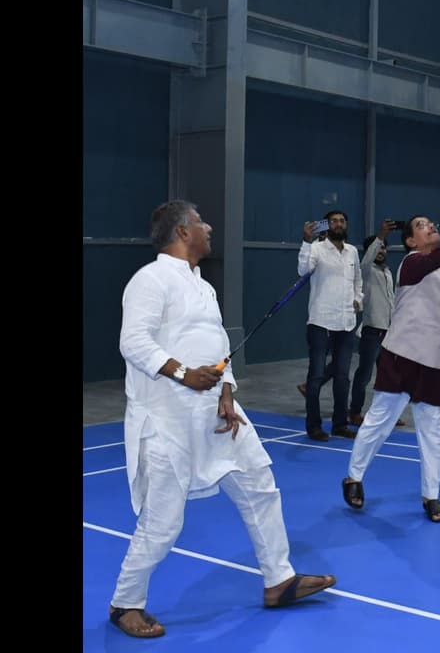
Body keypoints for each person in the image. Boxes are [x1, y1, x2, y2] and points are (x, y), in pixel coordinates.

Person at [109, 200, 335, 639]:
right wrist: (183, 373)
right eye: (200, 222)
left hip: (215, 413)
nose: (209, 227)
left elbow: (216, 345)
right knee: (163, 522)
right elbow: (132, 341)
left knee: (260, 484)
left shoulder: (203, 286)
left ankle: (279, 580)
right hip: (166, 420)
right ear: (181, 231)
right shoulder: (150, 279)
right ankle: (125, 603)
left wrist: (226, 391)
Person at [341, 216, 440, 524]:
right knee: (379, 422)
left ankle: (431, 495)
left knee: (432, 431)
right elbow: (432, 261)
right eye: (422, 225)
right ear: (411, 241)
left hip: (434, 361)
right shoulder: (410, 264)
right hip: (402, 355)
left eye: (432, 223)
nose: (431, 226)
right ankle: (353, 477)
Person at [298, 219, 406, 427]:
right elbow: (366, 260)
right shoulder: (365, 268)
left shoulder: (387, 272)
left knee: (389, 376)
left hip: (388, 332)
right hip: (371, 331)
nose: (381, 251)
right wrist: (381, 235)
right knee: (363, 375)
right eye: (378, 248)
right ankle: (354, 412)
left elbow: (390, 301)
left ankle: (388, 413)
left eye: (384, 248)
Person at [297, 210, 363, 441]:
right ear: (326, 225)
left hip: (346, 323)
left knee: (343, 377)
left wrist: (358, 298)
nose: (338, 224)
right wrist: (306, 241)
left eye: (342, 221)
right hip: (321, 322)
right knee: (316, 376)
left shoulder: (352, 251)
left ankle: (340, 424)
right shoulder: (316, 248)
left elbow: (358, 280)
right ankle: (314, 426)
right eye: (334, 221)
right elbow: (303, 271)